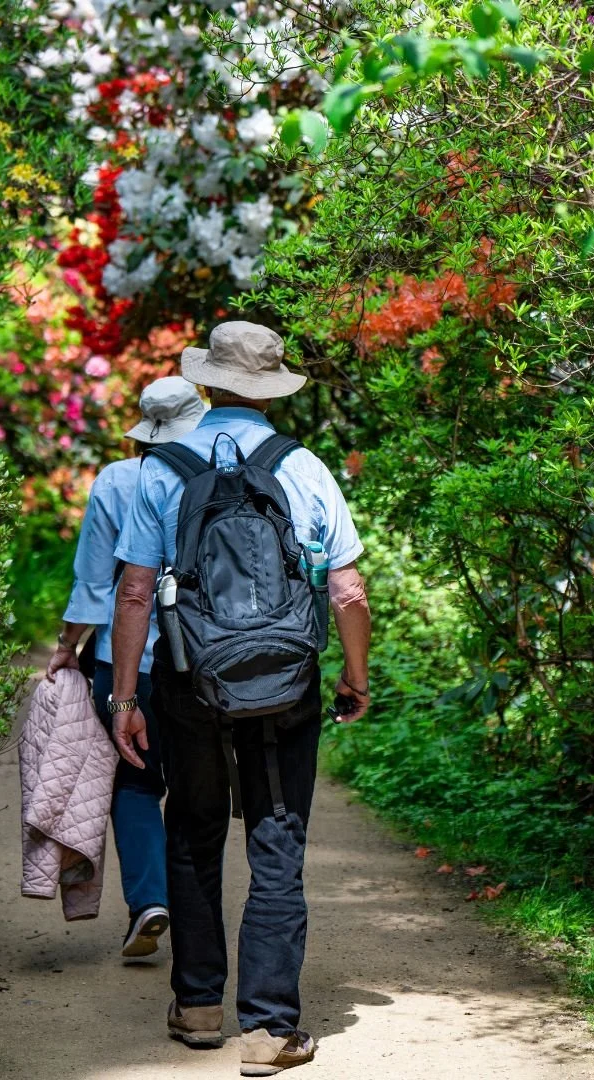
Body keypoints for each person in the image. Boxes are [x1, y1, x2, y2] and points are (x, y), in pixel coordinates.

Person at [109, 321, 372, 1076]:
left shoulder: (164, 467)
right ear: (269, 389)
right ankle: (268, 1030)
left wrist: (125, 698)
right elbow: (347, 585)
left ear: (208, 384)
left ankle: (197, 1007)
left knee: (192, 832)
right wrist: (354, 674)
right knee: (276, 838)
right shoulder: (306, 468)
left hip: (190, 679)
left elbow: (133, 590)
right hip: (285, 681)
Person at [46, 375, 207, 959]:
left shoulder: (117, 480)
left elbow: (94, 582)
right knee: (195, 785)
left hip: (125, 663)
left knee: (135, 783)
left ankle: (151, 900)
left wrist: (68, 645)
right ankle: (198, 920)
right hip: (205, 662)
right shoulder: (222, 479)